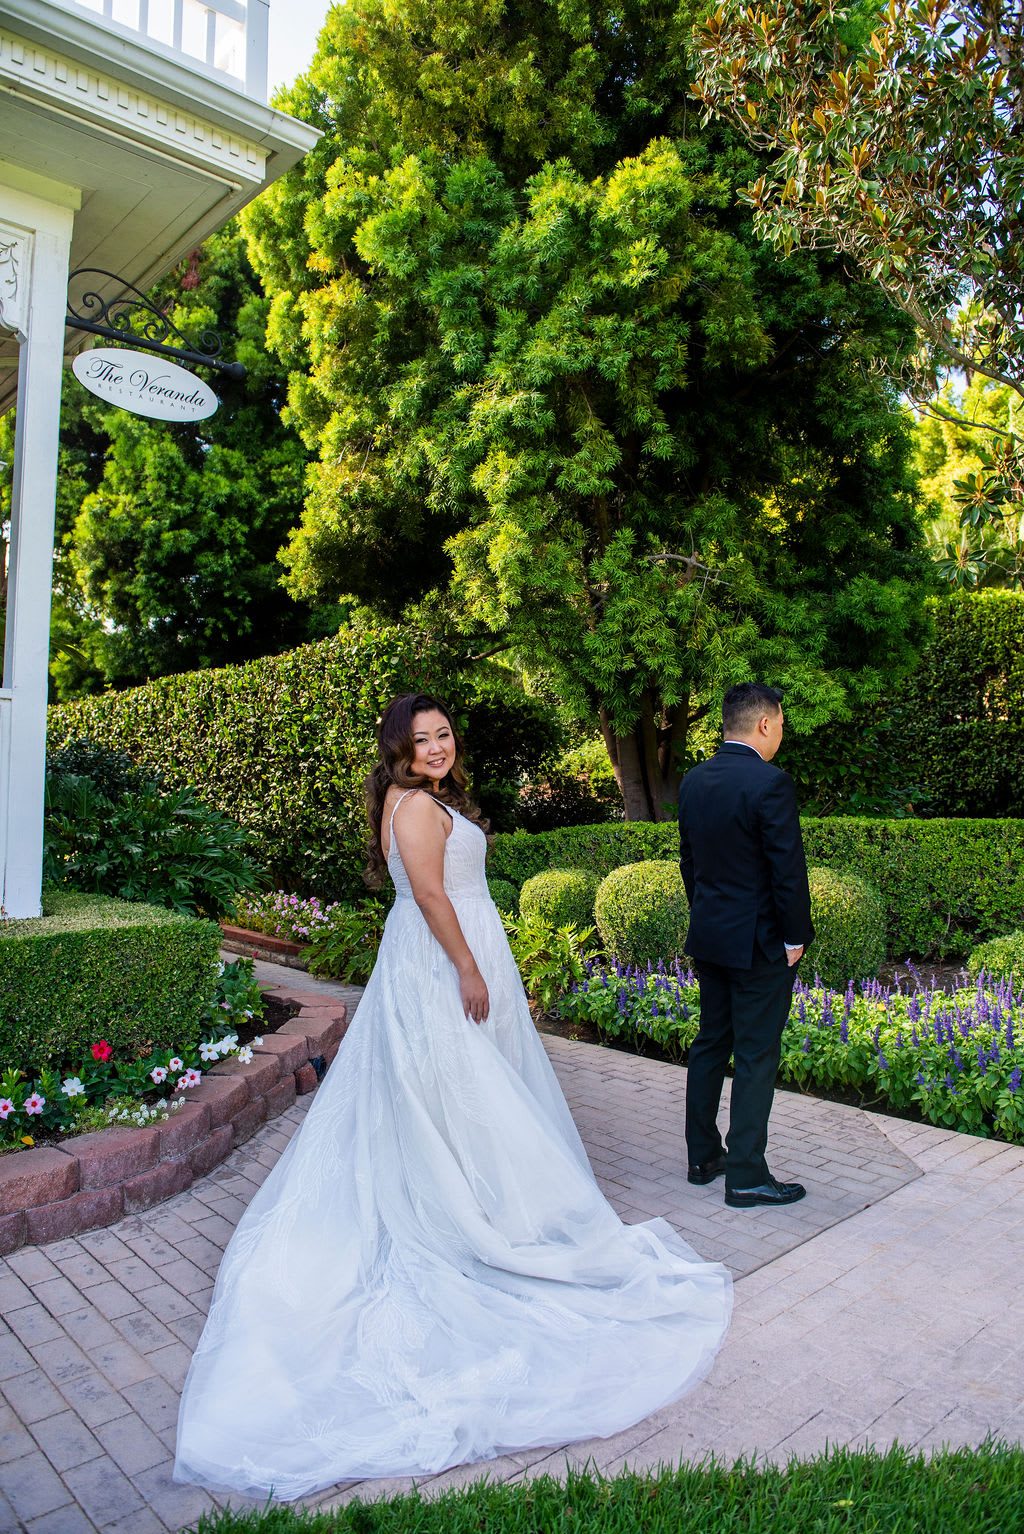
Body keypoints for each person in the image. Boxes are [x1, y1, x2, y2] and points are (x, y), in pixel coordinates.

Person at [173, 693, 732, 1500]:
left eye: (443, 734)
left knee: (469, 1096)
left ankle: (486, 1203)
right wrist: (469, 969)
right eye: (421, 737)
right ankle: (473, 1219)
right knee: (461, 1093)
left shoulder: (431, 801)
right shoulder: (413, 808)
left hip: (454, 950)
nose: (436, 745)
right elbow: (433, 897)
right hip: (441, 962)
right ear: (397, 748)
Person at [677, 683, 814, 1209]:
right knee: (756, 1055)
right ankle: (747, 1175)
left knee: (711, 1043)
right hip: (759, 946)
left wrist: (708, 915)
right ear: (763, 724)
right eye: (780, 722)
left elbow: (690, 862)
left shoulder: (694, 781)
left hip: (710, 936)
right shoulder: (771, 783)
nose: (781, 731)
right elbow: (787, 870)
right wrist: (795, 935)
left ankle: (703, 1158)